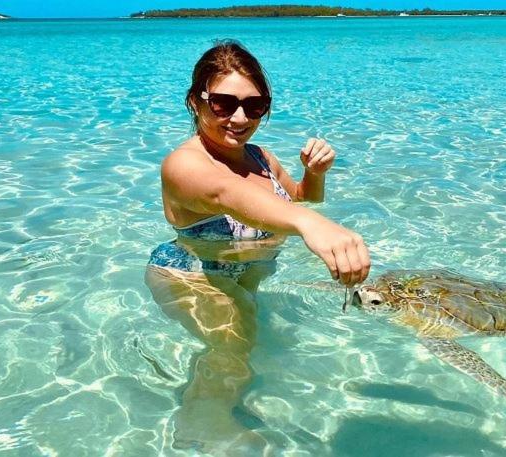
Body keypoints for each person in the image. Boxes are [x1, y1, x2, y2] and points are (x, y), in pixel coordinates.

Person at [145, 40, 370, 452]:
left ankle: (219, 406)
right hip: (191, 275)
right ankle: (202, 426)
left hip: (242, 277)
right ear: (197, 101)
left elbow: (298, 198)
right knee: (236, 340)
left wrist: (313, 173)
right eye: (223, 104)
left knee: (242, 344)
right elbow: (229, 196)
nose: (240, 117)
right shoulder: (185, 165)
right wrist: (309, 224)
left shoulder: (261, 157)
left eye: (255, 105)